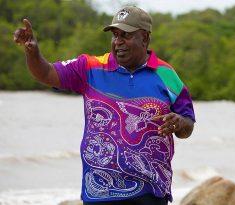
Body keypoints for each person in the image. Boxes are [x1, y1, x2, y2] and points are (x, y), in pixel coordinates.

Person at [14, 6, 195, 205]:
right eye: (115, 35)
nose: (118, 42)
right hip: (99, 191)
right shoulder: (90, 67)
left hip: (150, 192)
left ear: (145, 38)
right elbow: (46, 74)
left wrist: (179, 122)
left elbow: (188, 126)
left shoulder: (167, 75)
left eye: (126, 35)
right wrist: (32, 53)